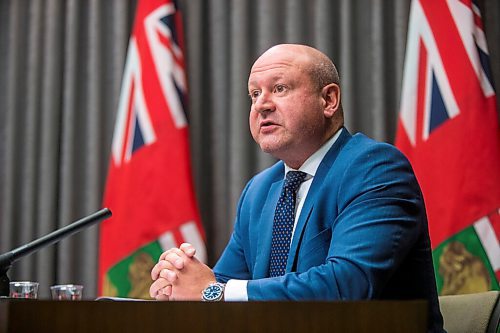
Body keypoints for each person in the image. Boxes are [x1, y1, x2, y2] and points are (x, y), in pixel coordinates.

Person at [149, 44, 445, 332]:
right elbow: (222, 283)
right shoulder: (259, 191)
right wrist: (180, 283)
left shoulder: (375, 168)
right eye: (254, 94)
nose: (262, 104)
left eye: (279, 89)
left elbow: (347, 285)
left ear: (328, 100)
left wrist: (212, 292)